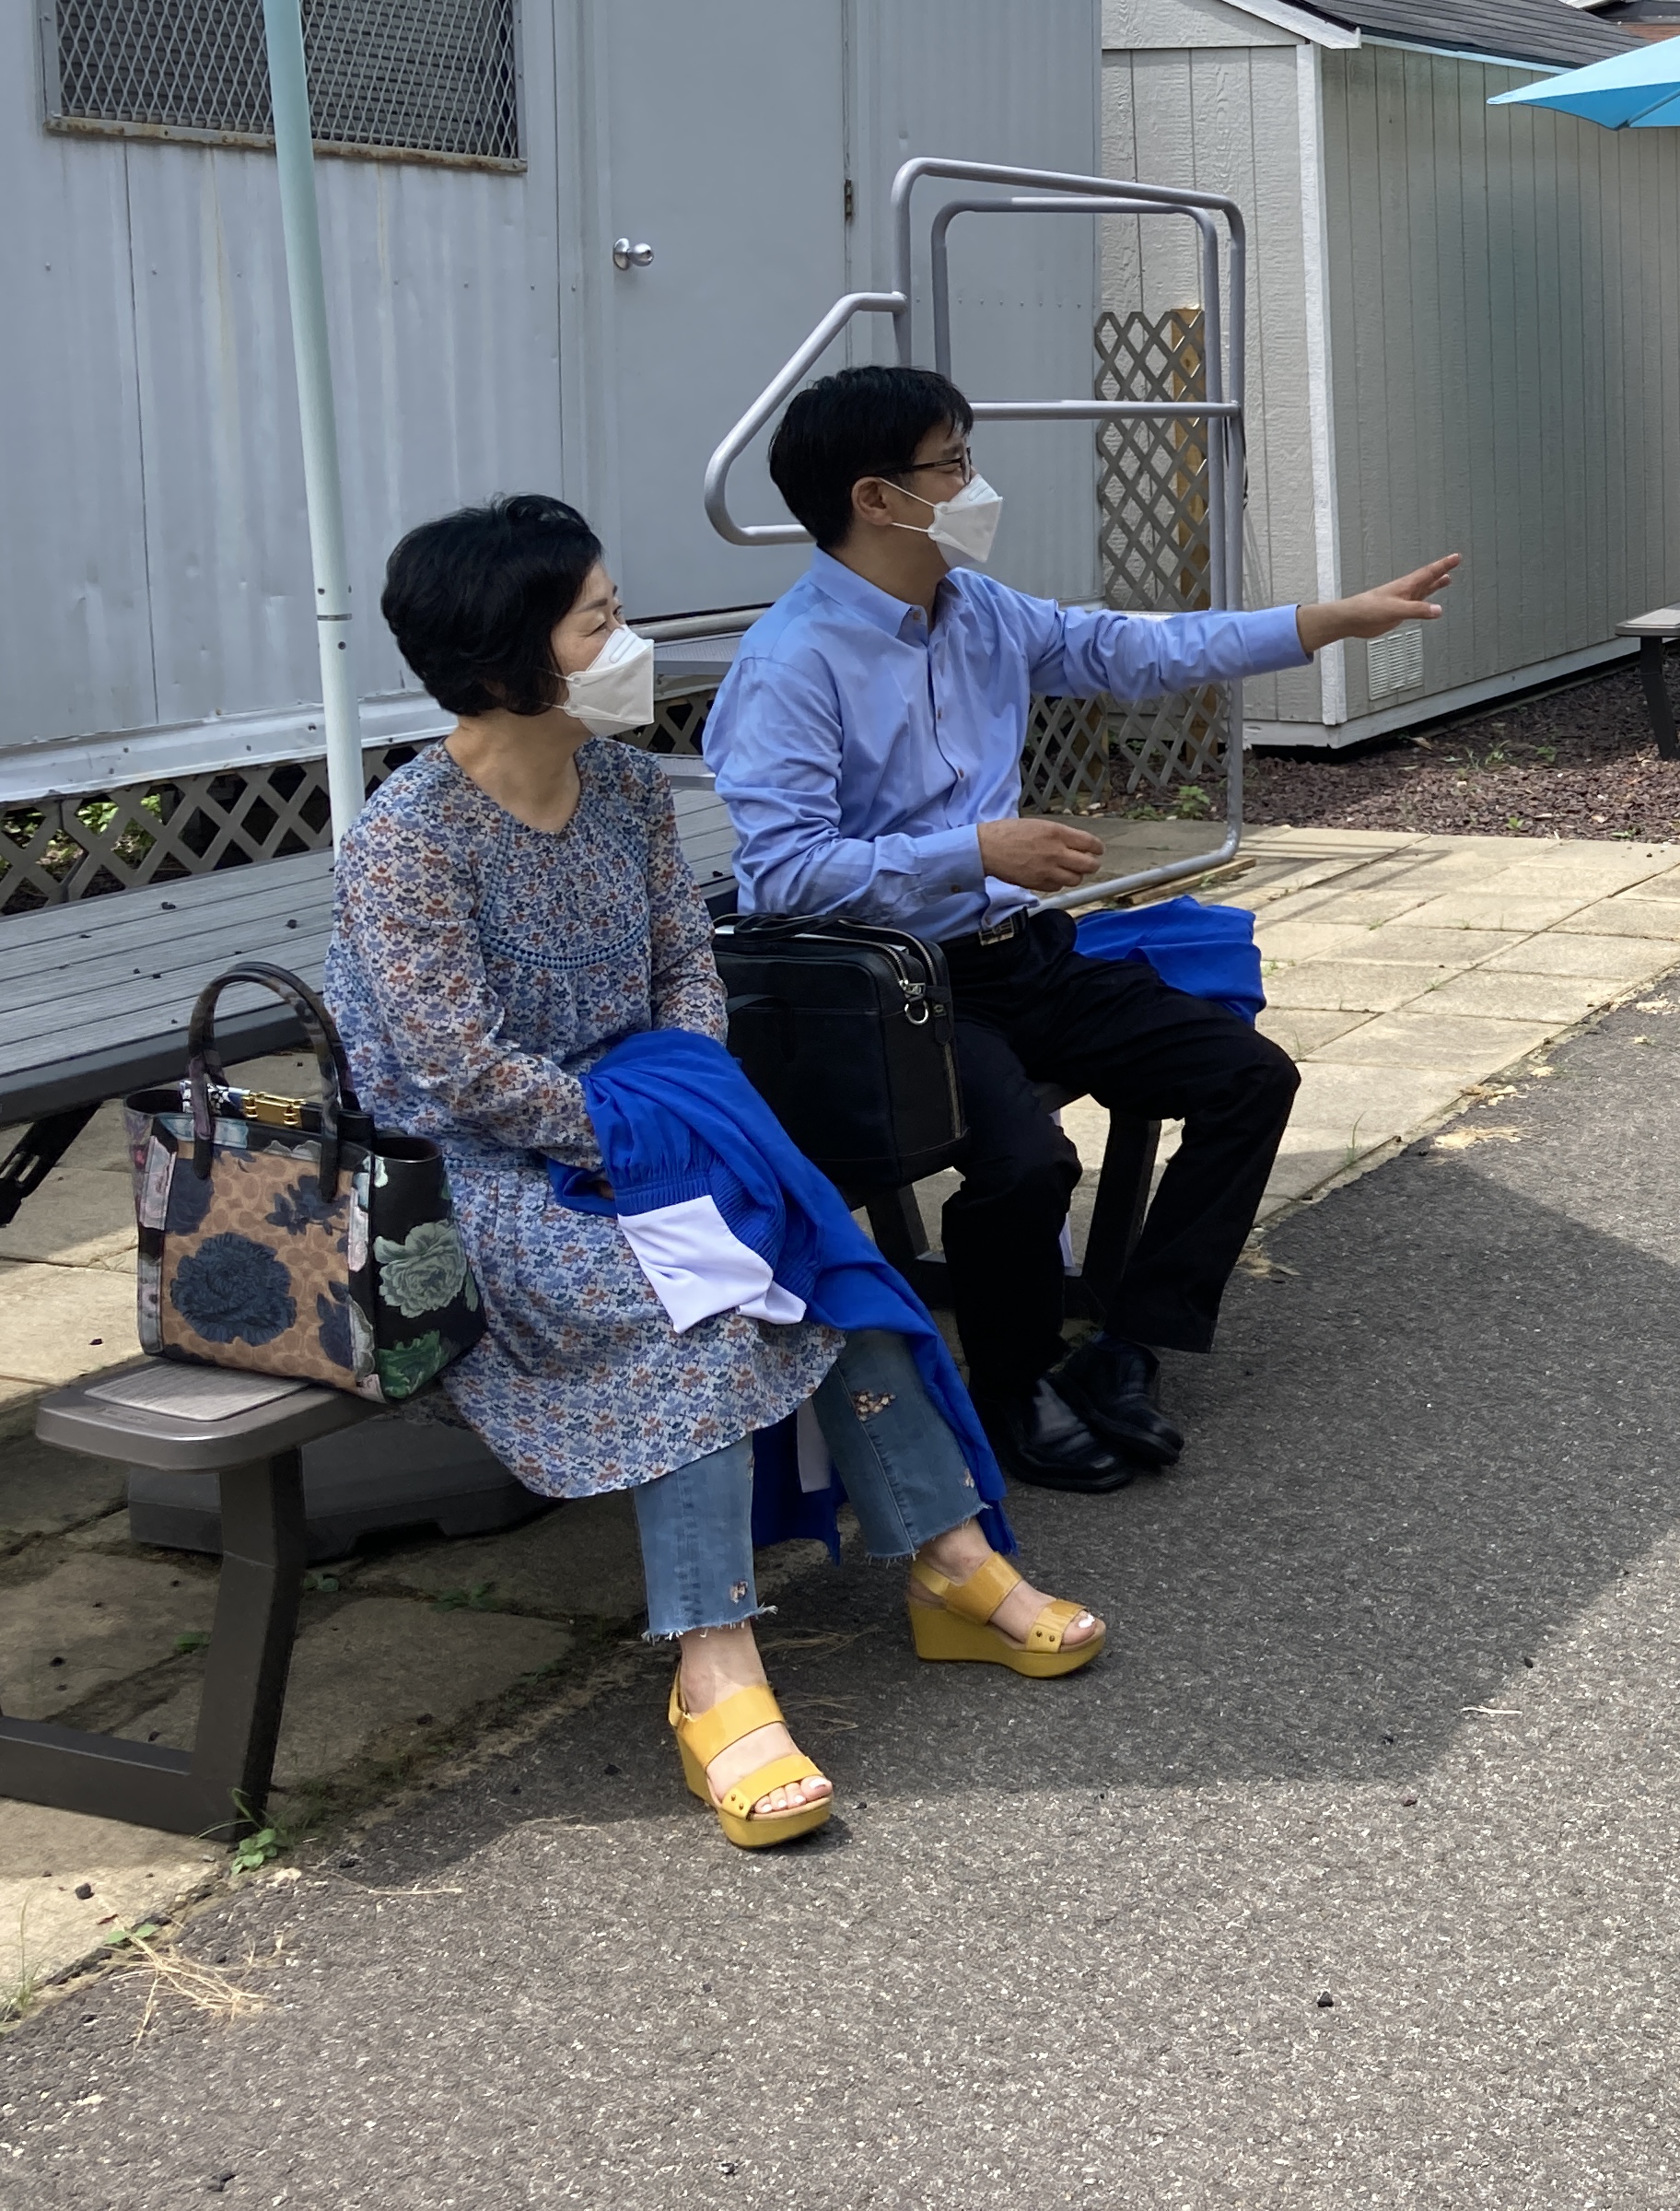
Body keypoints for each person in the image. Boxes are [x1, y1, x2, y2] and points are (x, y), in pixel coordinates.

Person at [328, 497, 1102, 1851]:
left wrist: (683, 1091)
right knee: (698, 1311)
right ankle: (714, 1666)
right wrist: (636, 1134)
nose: (628, 644)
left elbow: (691, 965)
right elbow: (458, 1072)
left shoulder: (628, 788)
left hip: (658, 1114)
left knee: (824, 1261)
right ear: (511, 654)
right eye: (599, 622)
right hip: (488, 1171)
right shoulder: (410, 838)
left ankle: (950, 1559)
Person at [703, 366, 1457, 1491]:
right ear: (875, 497)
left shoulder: (978, 608)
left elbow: (1135, 650)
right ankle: (1012, 1388)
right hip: (899, 993)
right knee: (1026, 1163)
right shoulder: (790, 663)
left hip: (1023, 958)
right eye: (952, 464)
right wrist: (973, 850)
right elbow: (781, 879)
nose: (974, 485)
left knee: (1247, 1077)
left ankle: (1127, 1346)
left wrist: (1324, 623)